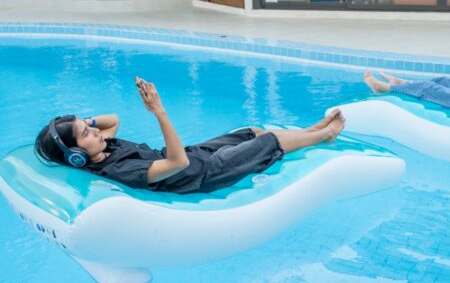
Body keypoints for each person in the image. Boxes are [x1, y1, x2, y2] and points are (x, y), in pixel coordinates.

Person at [35, 78, 345, 195]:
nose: (95, 131)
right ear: (76, 156)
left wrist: (83, 124)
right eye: (86, 134)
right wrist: (159, 112)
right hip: (203, 174)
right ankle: (325, 135)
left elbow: (113, 119)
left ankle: (309, 131)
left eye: (88, 126)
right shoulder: (118, 169)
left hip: (196, 154)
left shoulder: (104, 146)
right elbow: (177, 163)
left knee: (250, 131)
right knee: (267, 142)